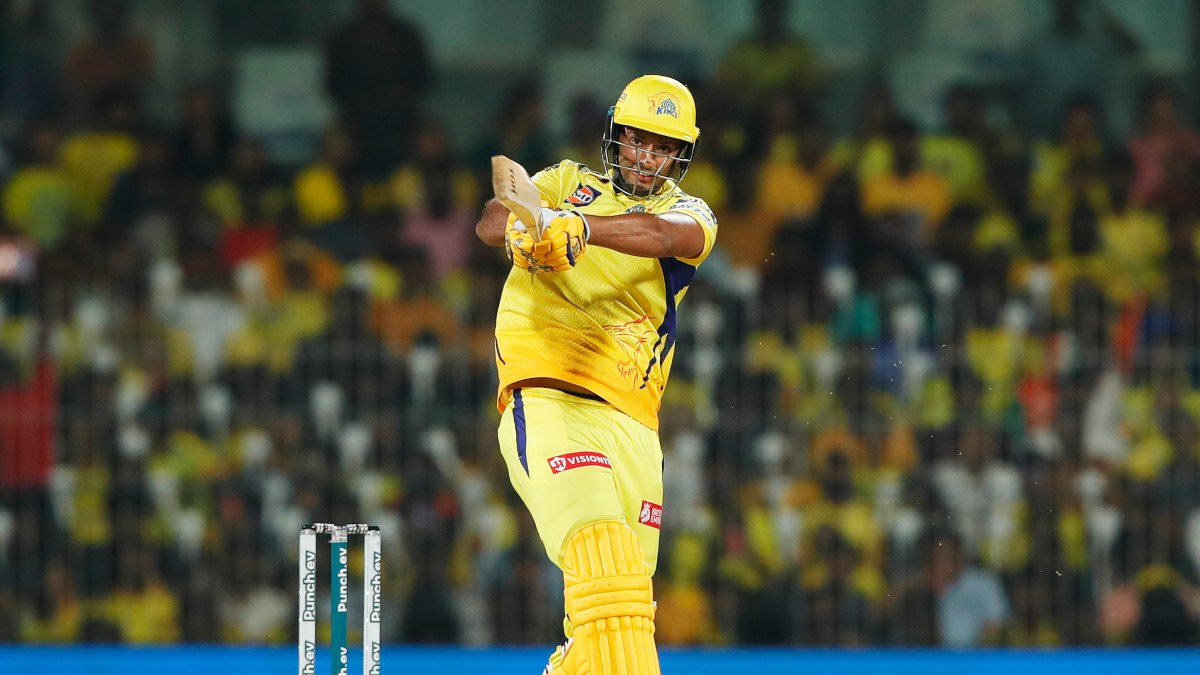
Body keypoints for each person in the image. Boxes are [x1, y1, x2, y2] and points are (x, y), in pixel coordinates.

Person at [475, 74, 717, 674]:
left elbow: (660, 235)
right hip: (551, 400)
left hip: (634, 426)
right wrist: (528, 225)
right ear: (615, 136)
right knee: (603, 565)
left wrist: (579, 228)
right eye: (637, 140)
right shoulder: (566, 181)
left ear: (680, 156)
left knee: (619, 613)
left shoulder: (690, 212)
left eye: (663, 147)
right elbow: (491, 219)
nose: (647, 157)